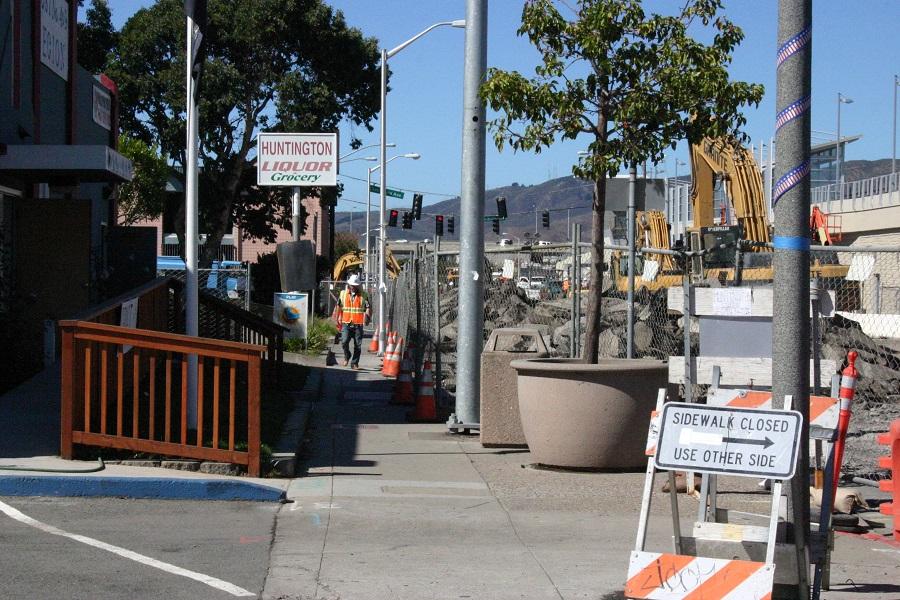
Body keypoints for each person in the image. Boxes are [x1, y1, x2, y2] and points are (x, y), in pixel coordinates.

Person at [334, 274, 370, 369]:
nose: (353, 287)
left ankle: (354, 363)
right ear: (349, 285)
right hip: (346, 322)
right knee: (344, 341)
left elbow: (368, 307)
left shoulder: (364, 295)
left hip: (358, 323)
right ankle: (347, 355)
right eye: (352, 285)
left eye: (355, 285)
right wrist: (337, 318)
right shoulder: (343, 294)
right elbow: (338, 306)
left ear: (358, 286)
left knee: (358, 345)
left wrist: (367, 317)